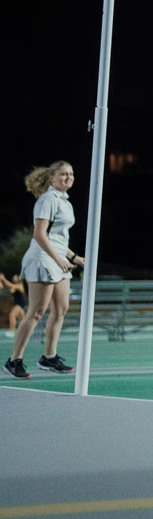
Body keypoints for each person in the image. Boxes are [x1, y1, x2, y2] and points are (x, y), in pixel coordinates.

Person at [6, 162, 85, 378]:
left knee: (61, 308)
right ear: (52, 178)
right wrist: (59, 259)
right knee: (36, 312)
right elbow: (40, 235)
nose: (68, 177)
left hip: (57, 259)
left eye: (71, 173)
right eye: (63, 174)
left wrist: (74, 257)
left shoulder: (64, 201)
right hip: (42, 259)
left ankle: (49, 358)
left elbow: (57, 238)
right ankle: (14, 360)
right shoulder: (47, 200)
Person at [2, 272, 24, 338]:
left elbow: (10, 285)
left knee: (12, 315)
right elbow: (7, 286)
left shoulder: (20, 286)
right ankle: (29, 330)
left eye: (15, 277)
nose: (13, 278)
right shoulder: (14, 287)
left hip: (20, 304)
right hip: (17, 305)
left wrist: (3, 279)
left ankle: (11, 331)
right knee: (21, 319)